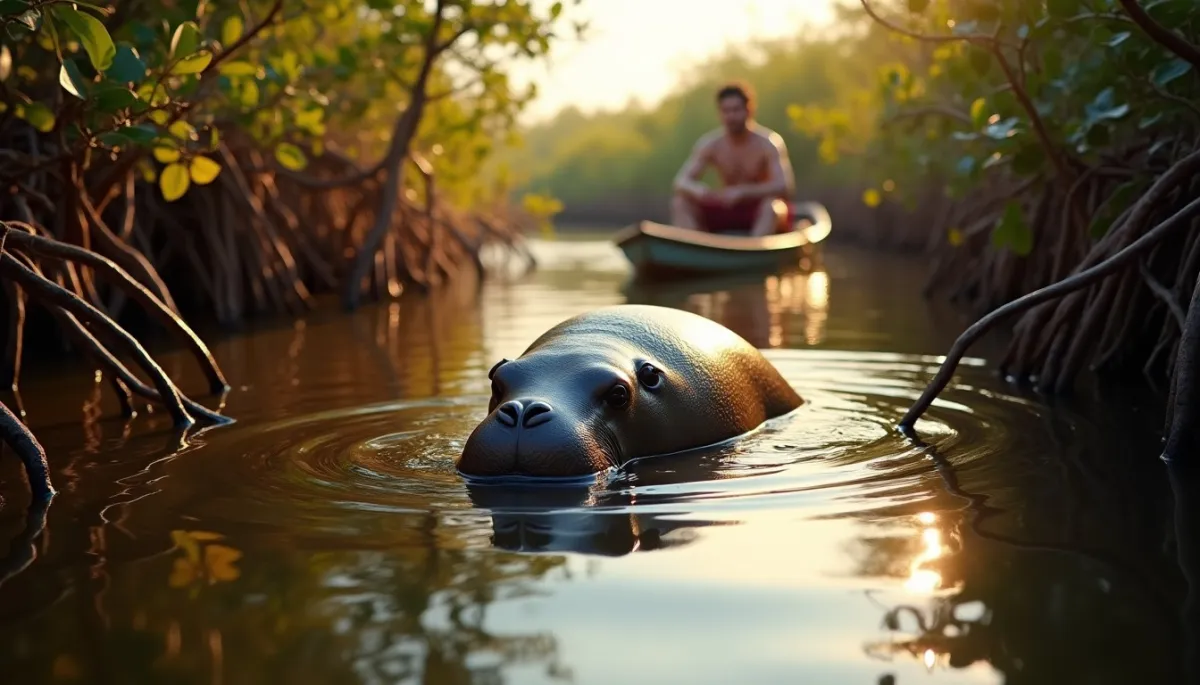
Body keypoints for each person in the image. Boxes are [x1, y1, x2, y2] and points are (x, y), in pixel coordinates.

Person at [670, 81, 796, 236]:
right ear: (719, 113)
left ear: (749, 111)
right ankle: (695, 252)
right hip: (726, 208)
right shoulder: (711, 144)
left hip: (758, 211)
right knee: (680, 203)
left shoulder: (768, 143)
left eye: (736, 110)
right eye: (726, 111)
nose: (731, 116)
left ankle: (752, 254)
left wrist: (745, 192)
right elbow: (680, 181)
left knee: (773, 207)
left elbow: (784, 186)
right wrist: (699, 190)